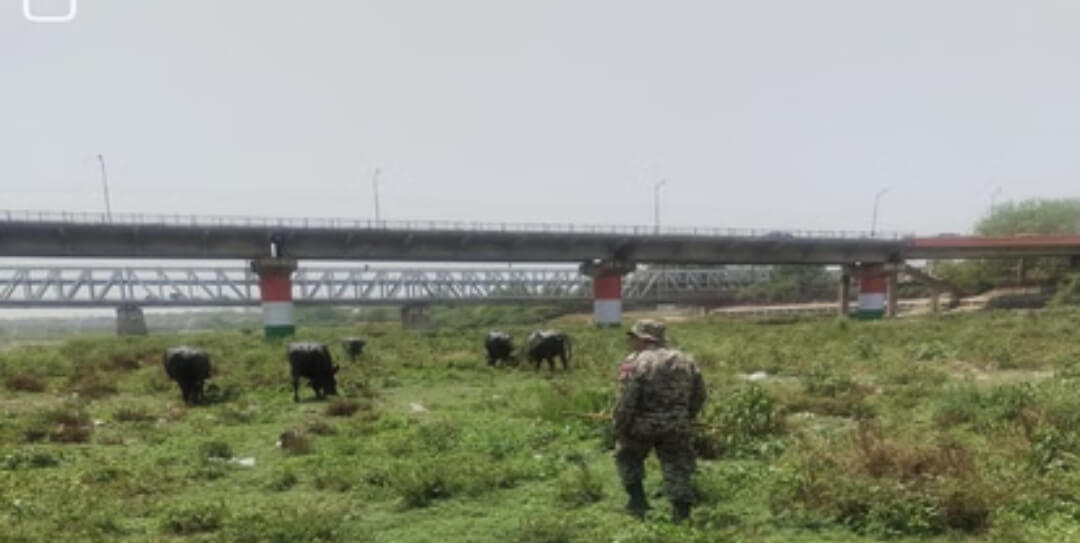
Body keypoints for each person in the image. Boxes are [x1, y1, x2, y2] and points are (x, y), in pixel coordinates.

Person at [613, 319, 706, 523]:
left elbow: (627, 398)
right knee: (678, 465)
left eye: (634, 338)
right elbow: (699, 394)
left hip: (642, 425)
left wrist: (620, 426)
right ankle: (682, 514)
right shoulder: (686, 360)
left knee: (627, 456)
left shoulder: (635, 361)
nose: (632, 342)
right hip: (677, 425)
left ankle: (637, 501)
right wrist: (685, 416)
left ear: (645, 339)